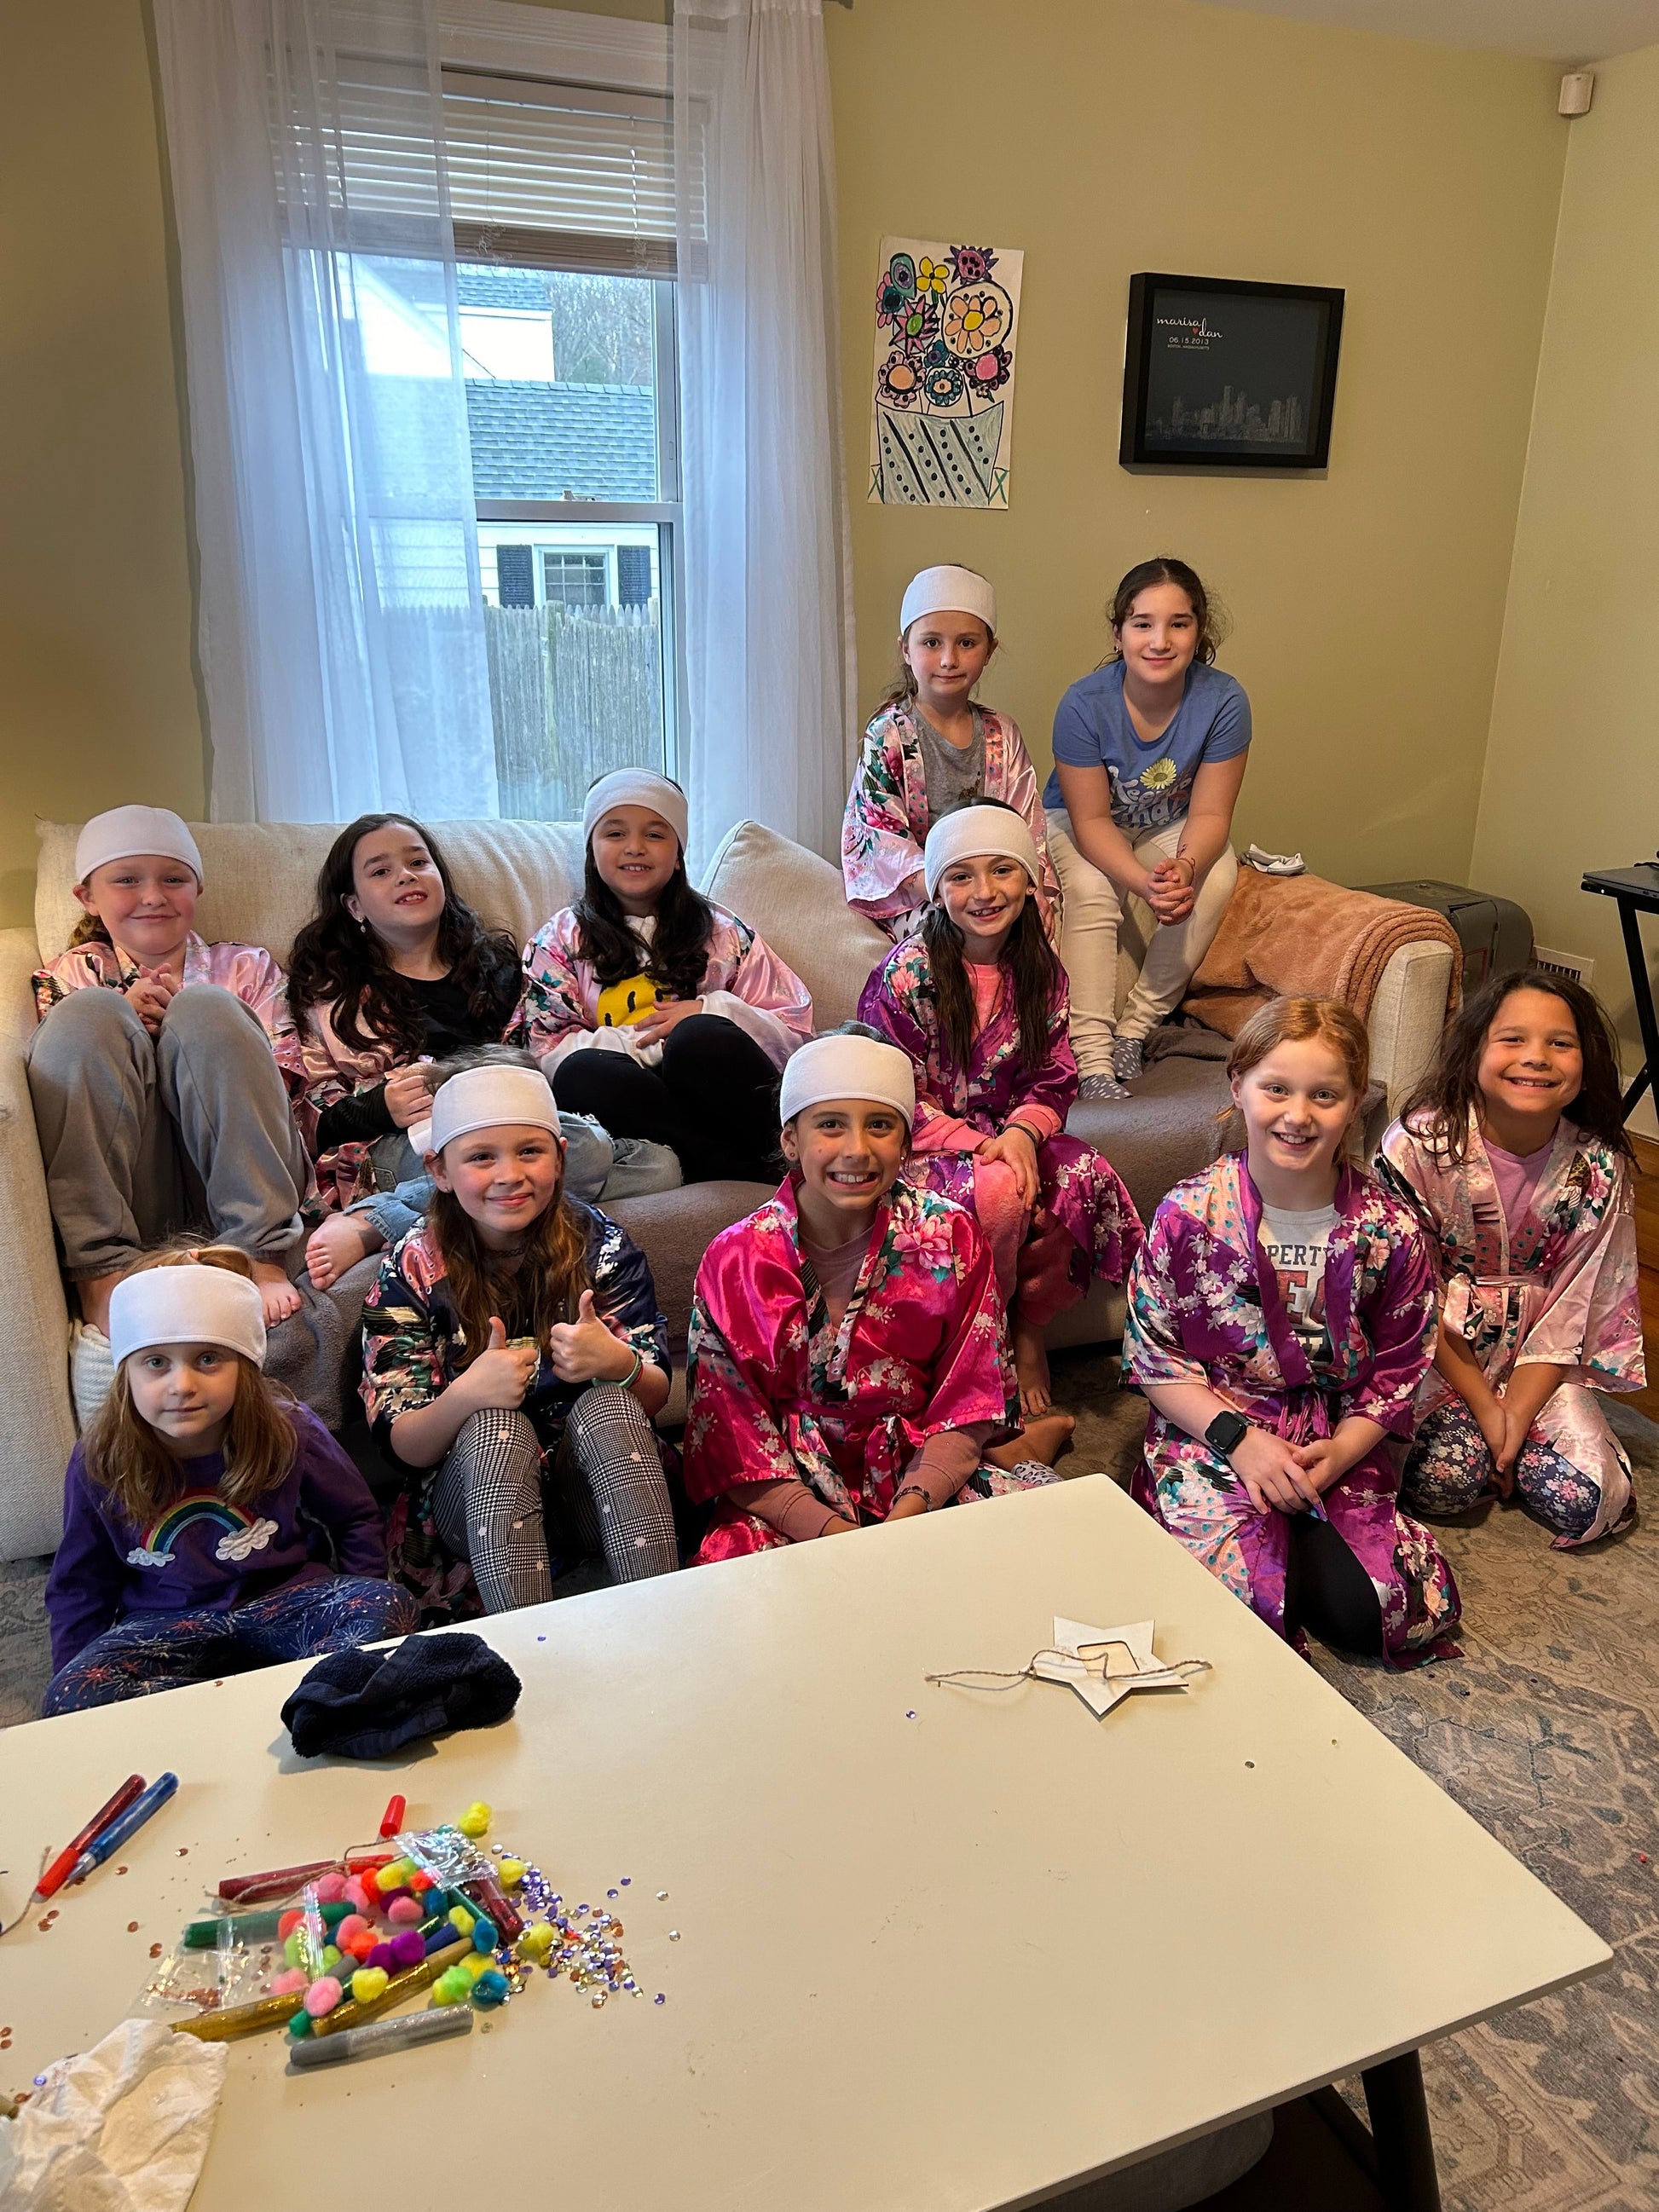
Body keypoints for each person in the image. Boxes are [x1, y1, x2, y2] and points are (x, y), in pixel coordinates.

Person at [1122, 996, 1460, 1666]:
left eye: (1323, 1094)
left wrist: (1341, 1453)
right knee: (1235, 1615)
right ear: (1238, 1086)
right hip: (1218, 1427)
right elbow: (1156, 1355)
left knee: (1391, 1612)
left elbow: (1401, 1363)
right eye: (1276, 1088)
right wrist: (1240, 1442)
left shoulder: (1388, 1230)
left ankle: (1302, 1535)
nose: (1298, 1115)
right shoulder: (1187, 1215)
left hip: (1333, 1435)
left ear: (1355, 1102)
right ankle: (1250, 1533)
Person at [684, 1031, 1068, 1562]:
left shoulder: (950, 1235)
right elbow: (731, 1430)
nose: (857, 1150)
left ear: (906, 1143)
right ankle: (1025, 1450)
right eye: (830, 1125)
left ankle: (1020, 1454)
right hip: (787, 1487)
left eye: (881, 1126)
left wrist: (909, 1513)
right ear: (790, 1140)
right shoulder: (735, 1260)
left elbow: (968, 1396)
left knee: (1035, 1559)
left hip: (919, 1473)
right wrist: (829, 1532)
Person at [359, 1059, 679, 1620]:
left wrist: (618, 1363)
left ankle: (666, 1618)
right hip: (472, 1509)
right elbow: (401, 1444)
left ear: (560, 1157)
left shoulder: (602, 1245)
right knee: (495, 1429)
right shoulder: (410, 1268)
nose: (510, 1175)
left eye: (529, 1152)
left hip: (589, 1492)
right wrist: (465, 1396)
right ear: (439, 1170)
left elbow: (654, 1394)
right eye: (482, 1157)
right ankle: (527, 1641)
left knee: (611, 1406)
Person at [858, 803, 1141, 1417]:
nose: (984, 892)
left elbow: (1053, 1077)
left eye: (1002, 870)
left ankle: (1029, 1325)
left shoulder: (1043, 973)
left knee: (1082, 1174)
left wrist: (1019, 1134)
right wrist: (983, 1145)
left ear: (1029, 880)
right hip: (927, 1144)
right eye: (962, 876)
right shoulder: (906, 975)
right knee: (998, 1193)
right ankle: (982, 1330)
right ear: (938, 891)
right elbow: (888, 1091)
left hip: (1011, 1132)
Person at [43, 1250, 413, 1713]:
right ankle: (269, 1704)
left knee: (388, 1606)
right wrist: (77, 1685)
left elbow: (355, 1518)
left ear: (244, 1365)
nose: (182, 1385)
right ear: (126, 1373)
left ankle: (261, 1705)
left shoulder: (289, 1428)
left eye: (207, 1359)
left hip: (289, 1604)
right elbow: (80, 1584)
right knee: (72, 1693)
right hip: (165, 1627)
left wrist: (360, 1605)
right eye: (156, 1362)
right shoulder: (99, 1457)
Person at [1376, 969, 1644, 1548]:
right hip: (1439, 1354)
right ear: (1474, 1050)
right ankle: (1489, 1448)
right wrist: (1486, 1410)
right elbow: (1408, 1292)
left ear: (1586, 1062)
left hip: (1539, 1359)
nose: (1537, 1057)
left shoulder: (1598, 1167)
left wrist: (1515, 1417)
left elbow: (1579, 1300)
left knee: (1587, 1499)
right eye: (1513, 1038)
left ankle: (1509, 1450)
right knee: (1442, 1482)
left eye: (1560, 1043)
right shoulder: (1417, 1146)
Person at [27, 806, 311, 1343]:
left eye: (173, 879)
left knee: (206, 1008)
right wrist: (126, 1015)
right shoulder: (70, 975)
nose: (153, 896)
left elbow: (284, 1086)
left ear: (197, 889)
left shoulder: (247, 967)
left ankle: (260, 1253)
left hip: (242, 1172)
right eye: (127, 881)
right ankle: (102, 1271)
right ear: (88, 897)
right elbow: (68, 1087)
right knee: (90, 1015)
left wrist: (186, 1025)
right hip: (138, 1187)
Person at [515, 769, 814, 1186]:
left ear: (677, 856)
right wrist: (651, 1044)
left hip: (724, 1104)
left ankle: (761, 1161)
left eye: (654, 834)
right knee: (582, 1071)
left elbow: (794, 1032)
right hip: (637, 1109)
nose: (635, 847)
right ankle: (718, 1166)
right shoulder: (559, 940)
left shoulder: (724, 933)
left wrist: (710, 1010)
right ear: (592, 851)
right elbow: (543, 1051)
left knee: (700, 1037)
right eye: (615, 833)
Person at [286, 813, 524, 1281]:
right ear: (354, 906)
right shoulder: (330, 991)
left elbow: (531, 1056)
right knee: (531, 1160)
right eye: (381, 871)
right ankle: (379, 1218)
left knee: (640, 1161)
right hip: (401, 1146)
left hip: (504, 1126)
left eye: (418, 862)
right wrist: (380, 1107)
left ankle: (389, 1216)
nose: (406, 876)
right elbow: (302, 1121)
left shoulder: (496, 966)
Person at [1044, 558, 1250, 1098]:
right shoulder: (1083, 704)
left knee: (1217, 874)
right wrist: (1144, 884)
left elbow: (1210, 815)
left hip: (1169, 820)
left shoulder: (1224, 700)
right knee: (1092, 891)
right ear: (1119, 634)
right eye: (1142, 624)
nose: (1160, 641)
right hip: (1081, 819)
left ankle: (1134, 1030)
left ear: (1198, 632)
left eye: (1178, 624)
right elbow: (1091, 820)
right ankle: (1090, 1056)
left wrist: (1184, 867)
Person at [841, 564, 1058, 941]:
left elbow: (1026, 825)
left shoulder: (1003, 734)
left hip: (994, 889)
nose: (948, 659)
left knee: (1034, 932)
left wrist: (1029, 889)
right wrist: (954, 892)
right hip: (922, 893)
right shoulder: (888, 736)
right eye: (931, 643)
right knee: (950, 935)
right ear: (906, 649)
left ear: (989, 651)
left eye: (967, 643)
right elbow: (882, 837)